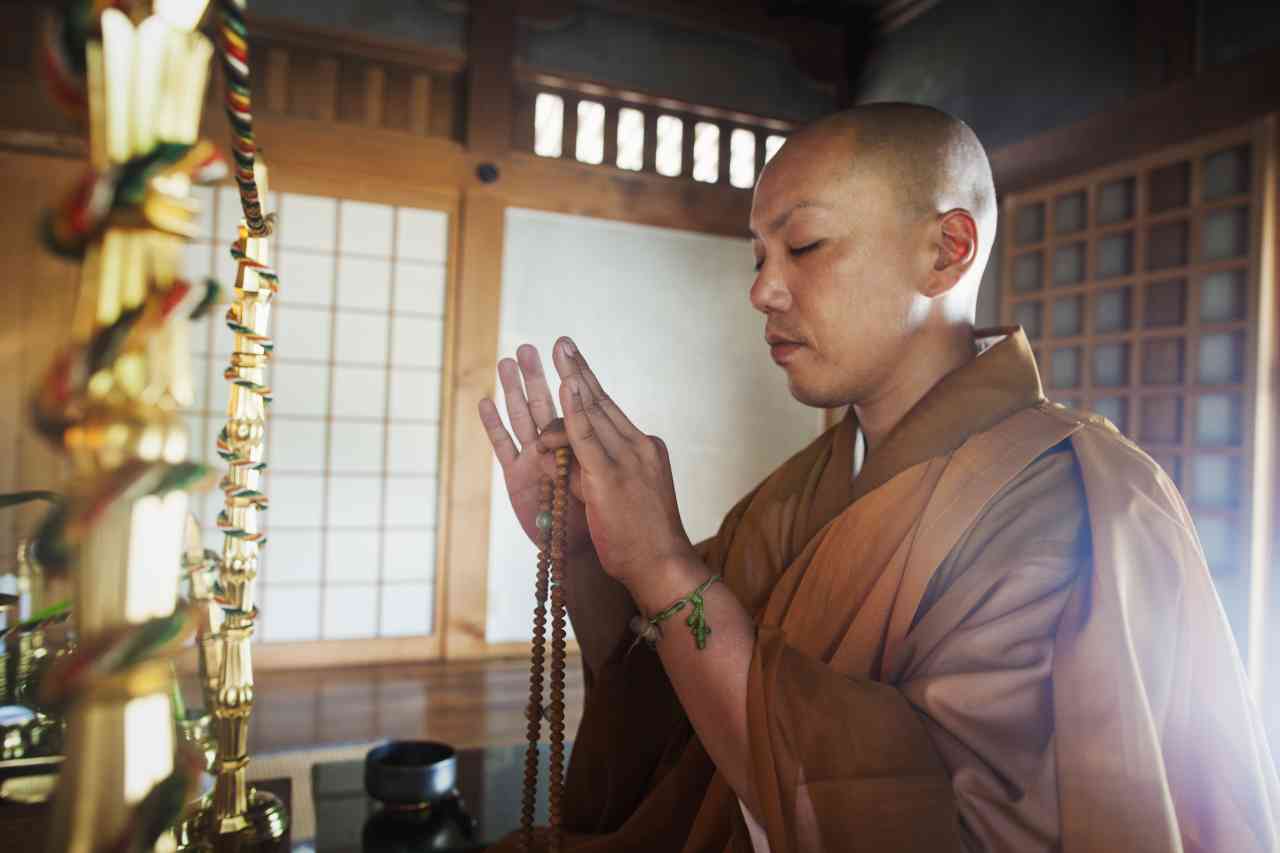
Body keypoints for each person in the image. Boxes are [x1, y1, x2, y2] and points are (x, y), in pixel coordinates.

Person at [477, 102, 1280, 852]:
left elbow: (943, 823)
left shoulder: (1068, 505)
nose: (761, 289)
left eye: (805, 246)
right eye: (758, 256)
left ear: (946, 250)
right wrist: (592, 554)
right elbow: (676, 718)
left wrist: (664, 564)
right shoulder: (798, 489)